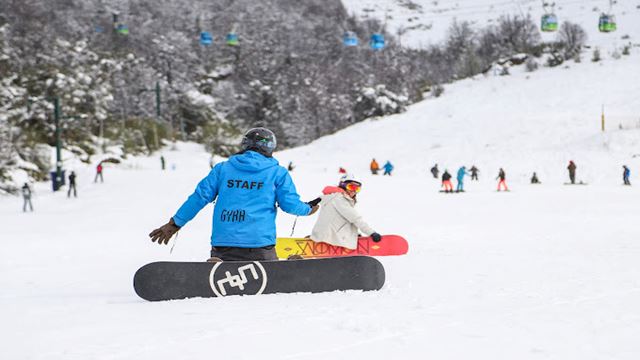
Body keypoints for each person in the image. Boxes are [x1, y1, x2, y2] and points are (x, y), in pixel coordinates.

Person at [148, 127, 319, 261]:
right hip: (259, 244)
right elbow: (290, 205)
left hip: (223, 243)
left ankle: (217, 265)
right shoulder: (277, 173)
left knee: (221, 268)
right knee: (269, 274)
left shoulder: (223, 169)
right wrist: (307, 209)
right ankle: (280, 269)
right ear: (270, 148)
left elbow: (198, 198)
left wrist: (175, 224)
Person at [310, 174, 381, 250]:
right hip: (332, 240)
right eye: (351, 186)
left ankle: (351, 236)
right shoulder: (340, 199)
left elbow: (341, 220)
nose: (354, 190)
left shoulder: (332, 196)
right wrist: (371, 233)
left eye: (357, 189)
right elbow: (355, 218)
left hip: (323, 235)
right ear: (342, 185)